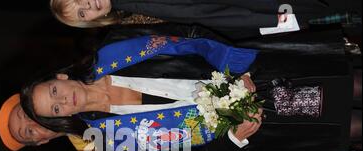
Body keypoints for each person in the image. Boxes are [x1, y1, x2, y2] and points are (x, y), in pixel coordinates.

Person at [19, 30, 360, 151]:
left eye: (54, 92)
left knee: (352, 87)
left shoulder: (113, 53)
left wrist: (237, 70)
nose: (65, 100)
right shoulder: (112, 138)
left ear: (59, 77)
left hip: (259, 75)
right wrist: (232, 138)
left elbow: (192, 41)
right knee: (355, 128)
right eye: (57, 109)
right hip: (259, 128)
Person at [49, 0, 359, 39]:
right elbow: (205, 17)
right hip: (257, 13)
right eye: (81, 13)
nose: (87, 4)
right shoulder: (136, 20)